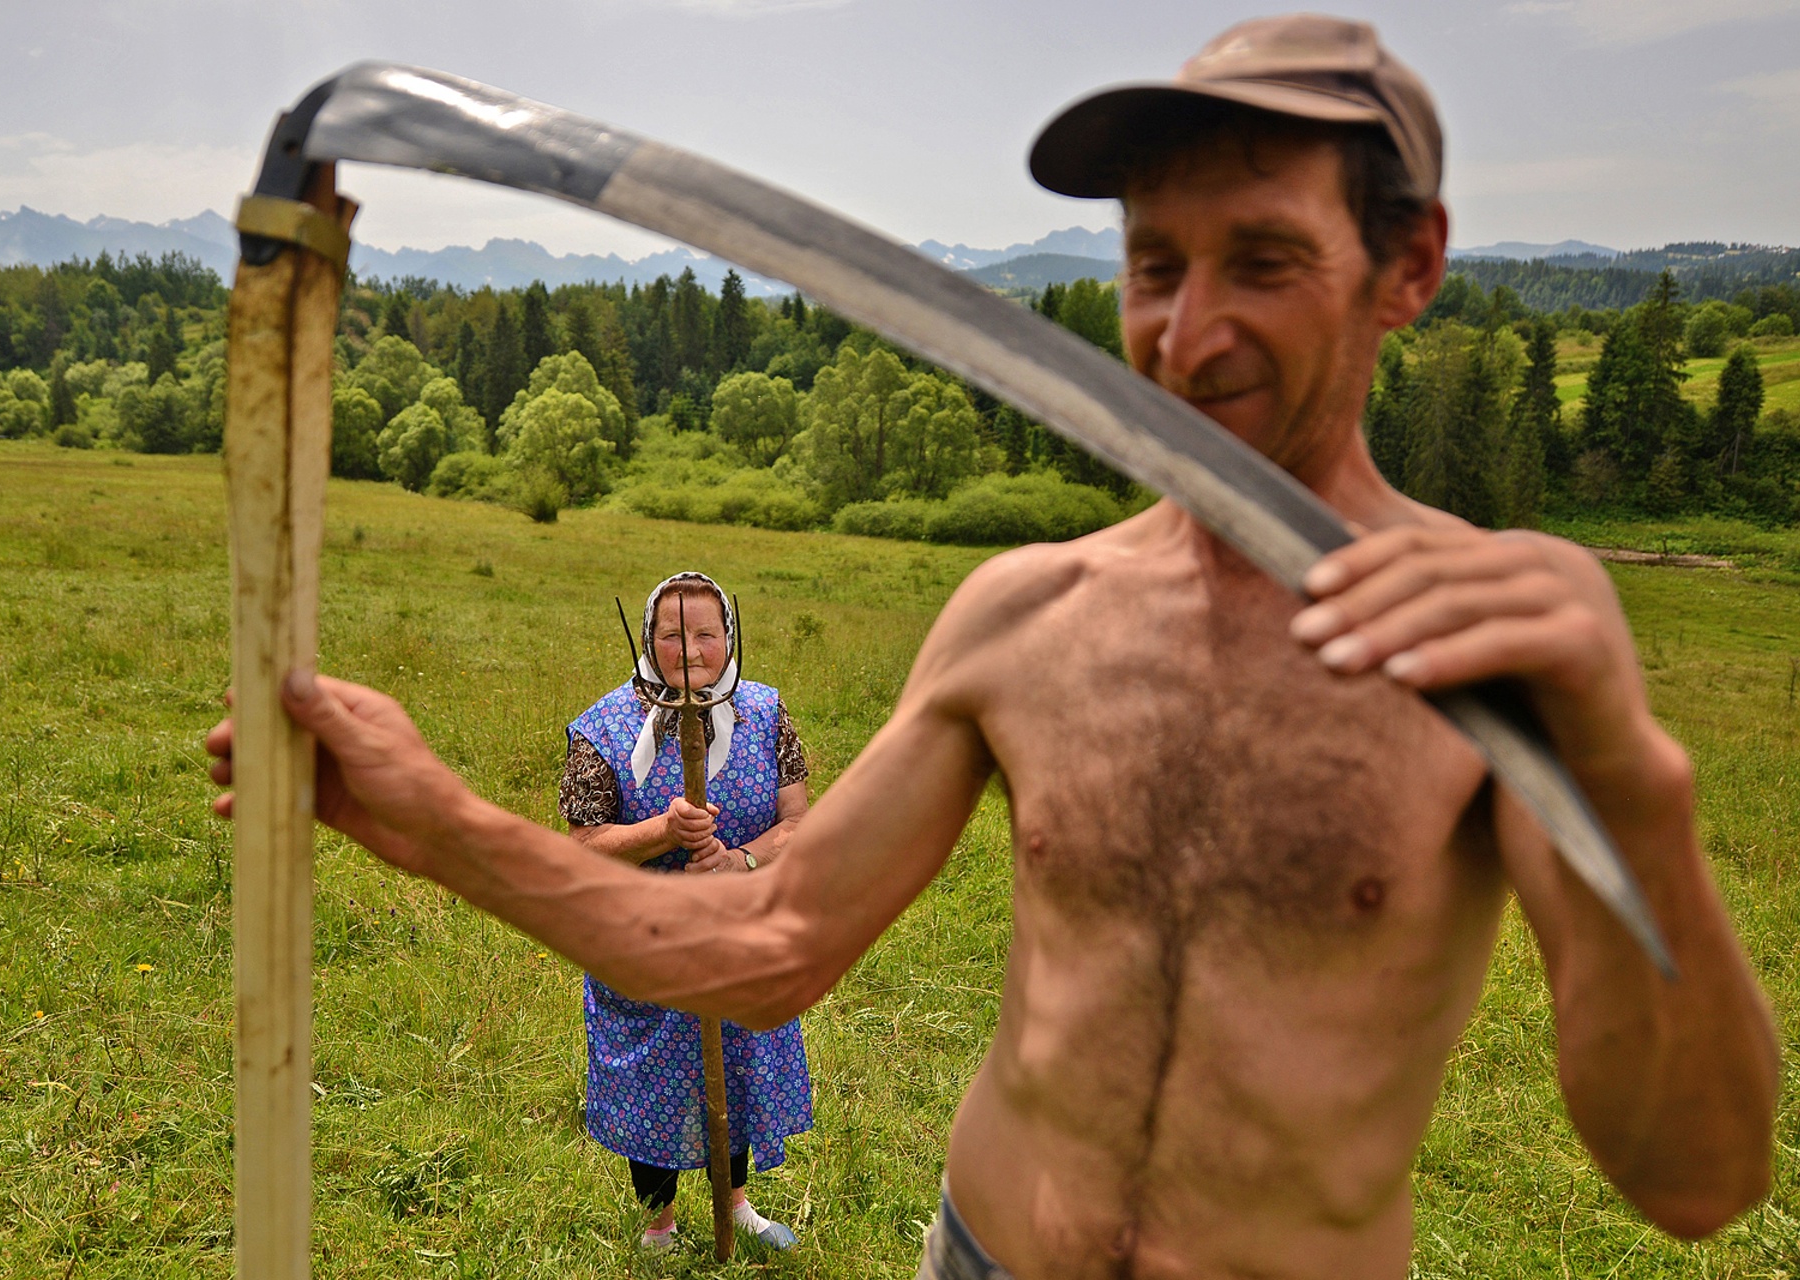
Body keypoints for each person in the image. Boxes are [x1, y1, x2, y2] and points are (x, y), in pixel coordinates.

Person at [208, 16, 1777, 1277]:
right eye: (1153, 264)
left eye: (1264, 259)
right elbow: (767, 948)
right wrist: (432, 823)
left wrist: (1629, 785)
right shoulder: (1027, 617)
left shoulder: (1496, 656)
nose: (1186, 331)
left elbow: (1696, 1182)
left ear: (1409, 267)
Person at [559, 571, 809, 1251]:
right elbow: (583, 847)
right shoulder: (604, 728)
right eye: (673, 634)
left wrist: (742, 860)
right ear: (648, 638)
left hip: (739, 936)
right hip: (645, 945)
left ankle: (737, 1203)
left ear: (729, 637)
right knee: (651, 1084)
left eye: (706, 633)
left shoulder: (766, 711)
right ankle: (659, 1223)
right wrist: (663, 833)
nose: (691, 649)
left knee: (738, 1066)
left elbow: (798, 823)